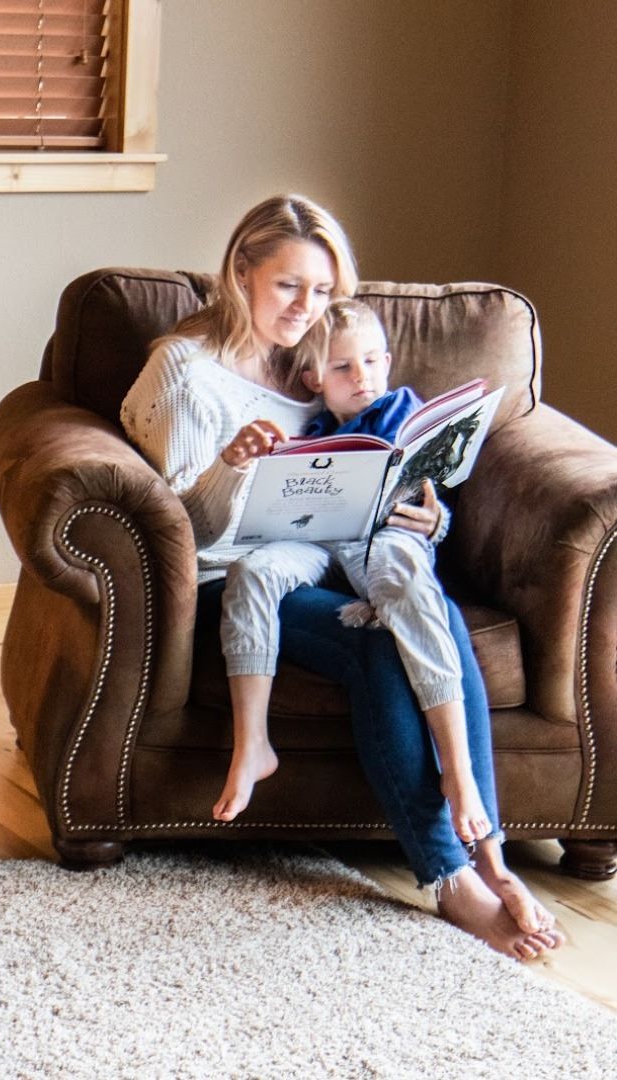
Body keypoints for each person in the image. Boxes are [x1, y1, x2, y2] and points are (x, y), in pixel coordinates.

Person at [120, 193, 563, 961]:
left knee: (425, 608)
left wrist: (431, 517)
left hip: (341, 559)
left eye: (323, 291)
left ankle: (490, 855)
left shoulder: (321, 364)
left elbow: (381, 473)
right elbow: (181, 530)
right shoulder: (187, 372)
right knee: (376, 646)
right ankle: (454, 877)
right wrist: (233, 466)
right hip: (245, 572)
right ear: (242, 272)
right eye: (290, 286)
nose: (307, 307)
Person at [203, 297, 489, 846]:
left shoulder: (405, 411)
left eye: (373, 361)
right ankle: (252, 743)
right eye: (342, 367)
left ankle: (456, 767)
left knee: (404, 577)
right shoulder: (311, 433)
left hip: (387, 537)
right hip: (318, 541)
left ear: (388, 359)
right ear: (314, 378)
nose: (363, 377)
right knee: (252, 572)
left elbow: (435, 497)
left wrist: (436, 523)